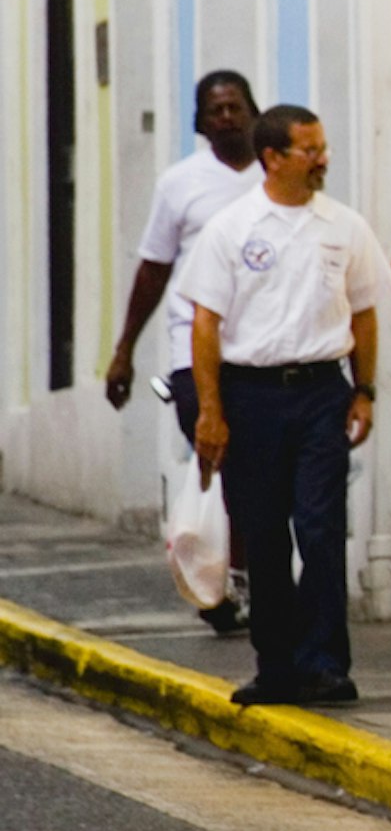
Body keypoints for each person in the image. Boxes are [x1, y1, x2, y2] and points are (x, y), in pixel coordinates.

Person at [184, 107, 386, 709]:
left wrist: (365, 389)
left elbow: (366, 311)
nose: (322, 159)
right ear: (272, 158)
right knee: (265, 532)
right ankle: (275, 664)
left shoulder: (344, 227)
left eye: (323, 147)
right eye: (309, 150)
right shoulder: (232, 228)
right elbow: (205, 322)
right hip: (252, 396)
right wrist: (211, 409)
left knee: (321, 527)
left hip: (322, 392)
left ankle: (325, 661)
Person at [105, 68, 263, 634]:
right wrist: (125, 349)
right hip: (192, 347)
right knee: (216, 454)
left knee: (253, 467)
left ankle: (242, 577)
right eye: (215, 110)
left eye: (234, 107)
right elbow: (154, 267)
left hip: (260, 346)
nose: (226, 118)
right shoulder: (181, 183)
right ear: (200, 121)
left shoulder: (274, 175)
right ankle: (206, 571)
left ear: (252, 110)